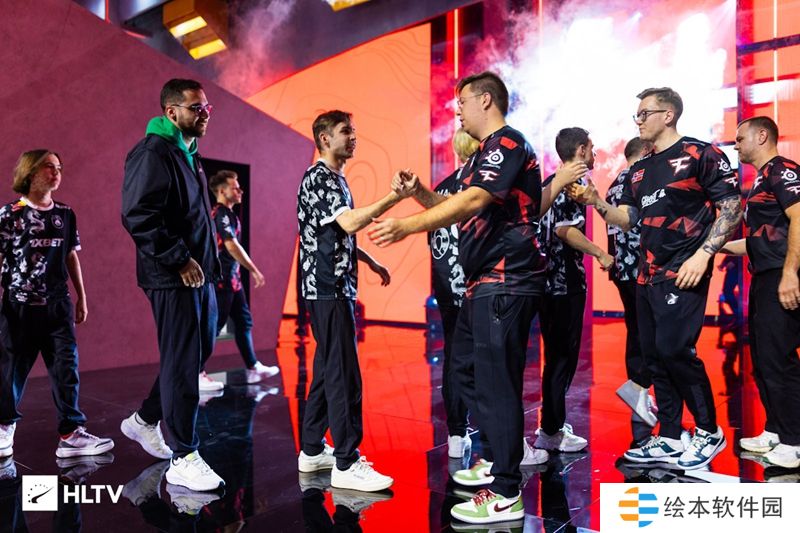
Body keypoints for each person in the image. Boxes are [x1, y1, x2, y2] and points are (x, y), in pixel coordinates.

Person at [369, 71, 586, 524]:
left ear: (486, 100)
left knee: (495, 382)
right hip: (482, 283)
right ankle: (499, 454)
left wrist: (405, 226)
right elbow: (450, 206)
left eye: (462, 102)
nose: (457, 112)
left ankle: (506, 490)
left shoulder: (508, 143)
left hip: (506, 280)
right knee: (466, 371)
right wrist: (417, 193)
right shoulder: (482, 156)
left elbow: (472, 202)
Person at [571, 87, 742, 470]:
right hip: (647, 276)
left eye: (644, 113)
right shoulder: (640, 169)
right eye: (637, 114)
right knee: (654, 356)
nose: (638, 120)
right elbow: (628, 219)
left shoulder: (700, 154)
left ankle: (709, 431)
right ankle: (669, 434)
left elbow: (731, 206)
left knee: (675, 349)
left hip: (685, 269)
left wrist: (704, 254)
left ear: (668, 115)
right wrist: (596, 202)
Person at [121, 78, 224, 492]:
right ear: (172, 112)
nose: (205, 114)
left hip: (200, 273)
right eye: (197, 108)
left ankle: (144, 419)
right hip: (172, 274)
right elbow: (138, 214)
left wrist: (208, 264)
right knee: (182, 362)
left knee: (198, 352)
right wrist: (178, 258)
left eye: (207, 107)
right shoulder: (153, 152)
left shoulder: (188, 153)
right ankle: (184, 455)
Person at [296, 110, 396, 493]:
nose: (353, 137)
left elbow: (338, 234)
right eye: (346, 131)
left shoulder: (336, 178)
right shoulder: (319, 178)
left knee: (327, 369)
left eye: (353, 130)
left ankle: (311, 450)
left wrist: (369, 261)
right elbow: (350, 223)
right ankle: (347, 462)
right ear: (324, 138)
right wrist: (395, 196)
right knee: (343, 374)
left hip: (334, 287)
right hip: (327, 288)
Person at [0, 150, 114, 459]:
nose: (56, 172)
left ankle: (71, 433)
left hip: (57, 306)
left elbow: (70, 255)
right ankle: (4, 426)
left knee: (66, 368)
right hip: (18, 306)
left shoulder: (65, 213)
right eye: (49, 167)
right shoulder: (10, 214)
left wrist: (81, 296)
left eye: (59, 167)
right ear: (30, 172)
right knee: (10, 369)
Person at [393, 128, 478, 459]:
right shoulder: (480, 187)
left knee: (454, 354)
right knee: (489, 358)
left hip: (446, 287)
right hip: (477, 286)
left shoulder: (440, 188)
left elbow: (433, 242)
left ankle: (456, 432)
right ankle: (498, 435)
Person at [722, 116, 800, 468]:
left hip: (782, 275)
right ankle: (775, 430)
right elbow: (758, 240)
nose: (736, 145)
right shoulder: (760, 179)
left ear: (762, 136)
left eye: (740, 139)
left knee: (780, 359)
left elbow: (799, 218)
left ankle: (794, 441)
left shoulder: (783, 170)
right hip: (764, 277)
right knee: (765, 359)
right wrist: (714, 247)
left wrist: (790, 273)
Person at [535, 127, 612, 453]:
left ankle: (552, 424)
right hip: (563, 284)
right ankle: (551, 431)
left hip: (546, 283)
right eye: (591, 148)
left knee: (556, 357)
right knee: (561, 359)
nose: (595, 153)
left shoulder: (549, 182)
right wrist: (600, 253)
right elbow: (565, 230)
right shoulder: (572, 183)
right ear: (580, 150)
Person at [206, 170, 279, 385]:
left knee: (243, 321)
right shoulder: (219, 214)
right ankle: (196, 372)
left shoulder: (230, 215)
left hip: (234, 281)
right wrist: (254, 269)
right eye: (235, 188)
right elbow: (231, 245)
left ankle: (253, 366)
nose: (240, 191)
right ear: (222, 191)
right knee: (214, 326)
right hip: (222, 281)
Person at [607, 137, 659, 438]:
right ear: (646, 153)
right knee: (646, 331)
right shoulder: (640, 180)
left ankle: (639, 391)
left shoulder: (614, 183)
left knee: (637, 328)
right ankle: (639, 388)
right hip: (640, 266)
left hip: (622, 268)